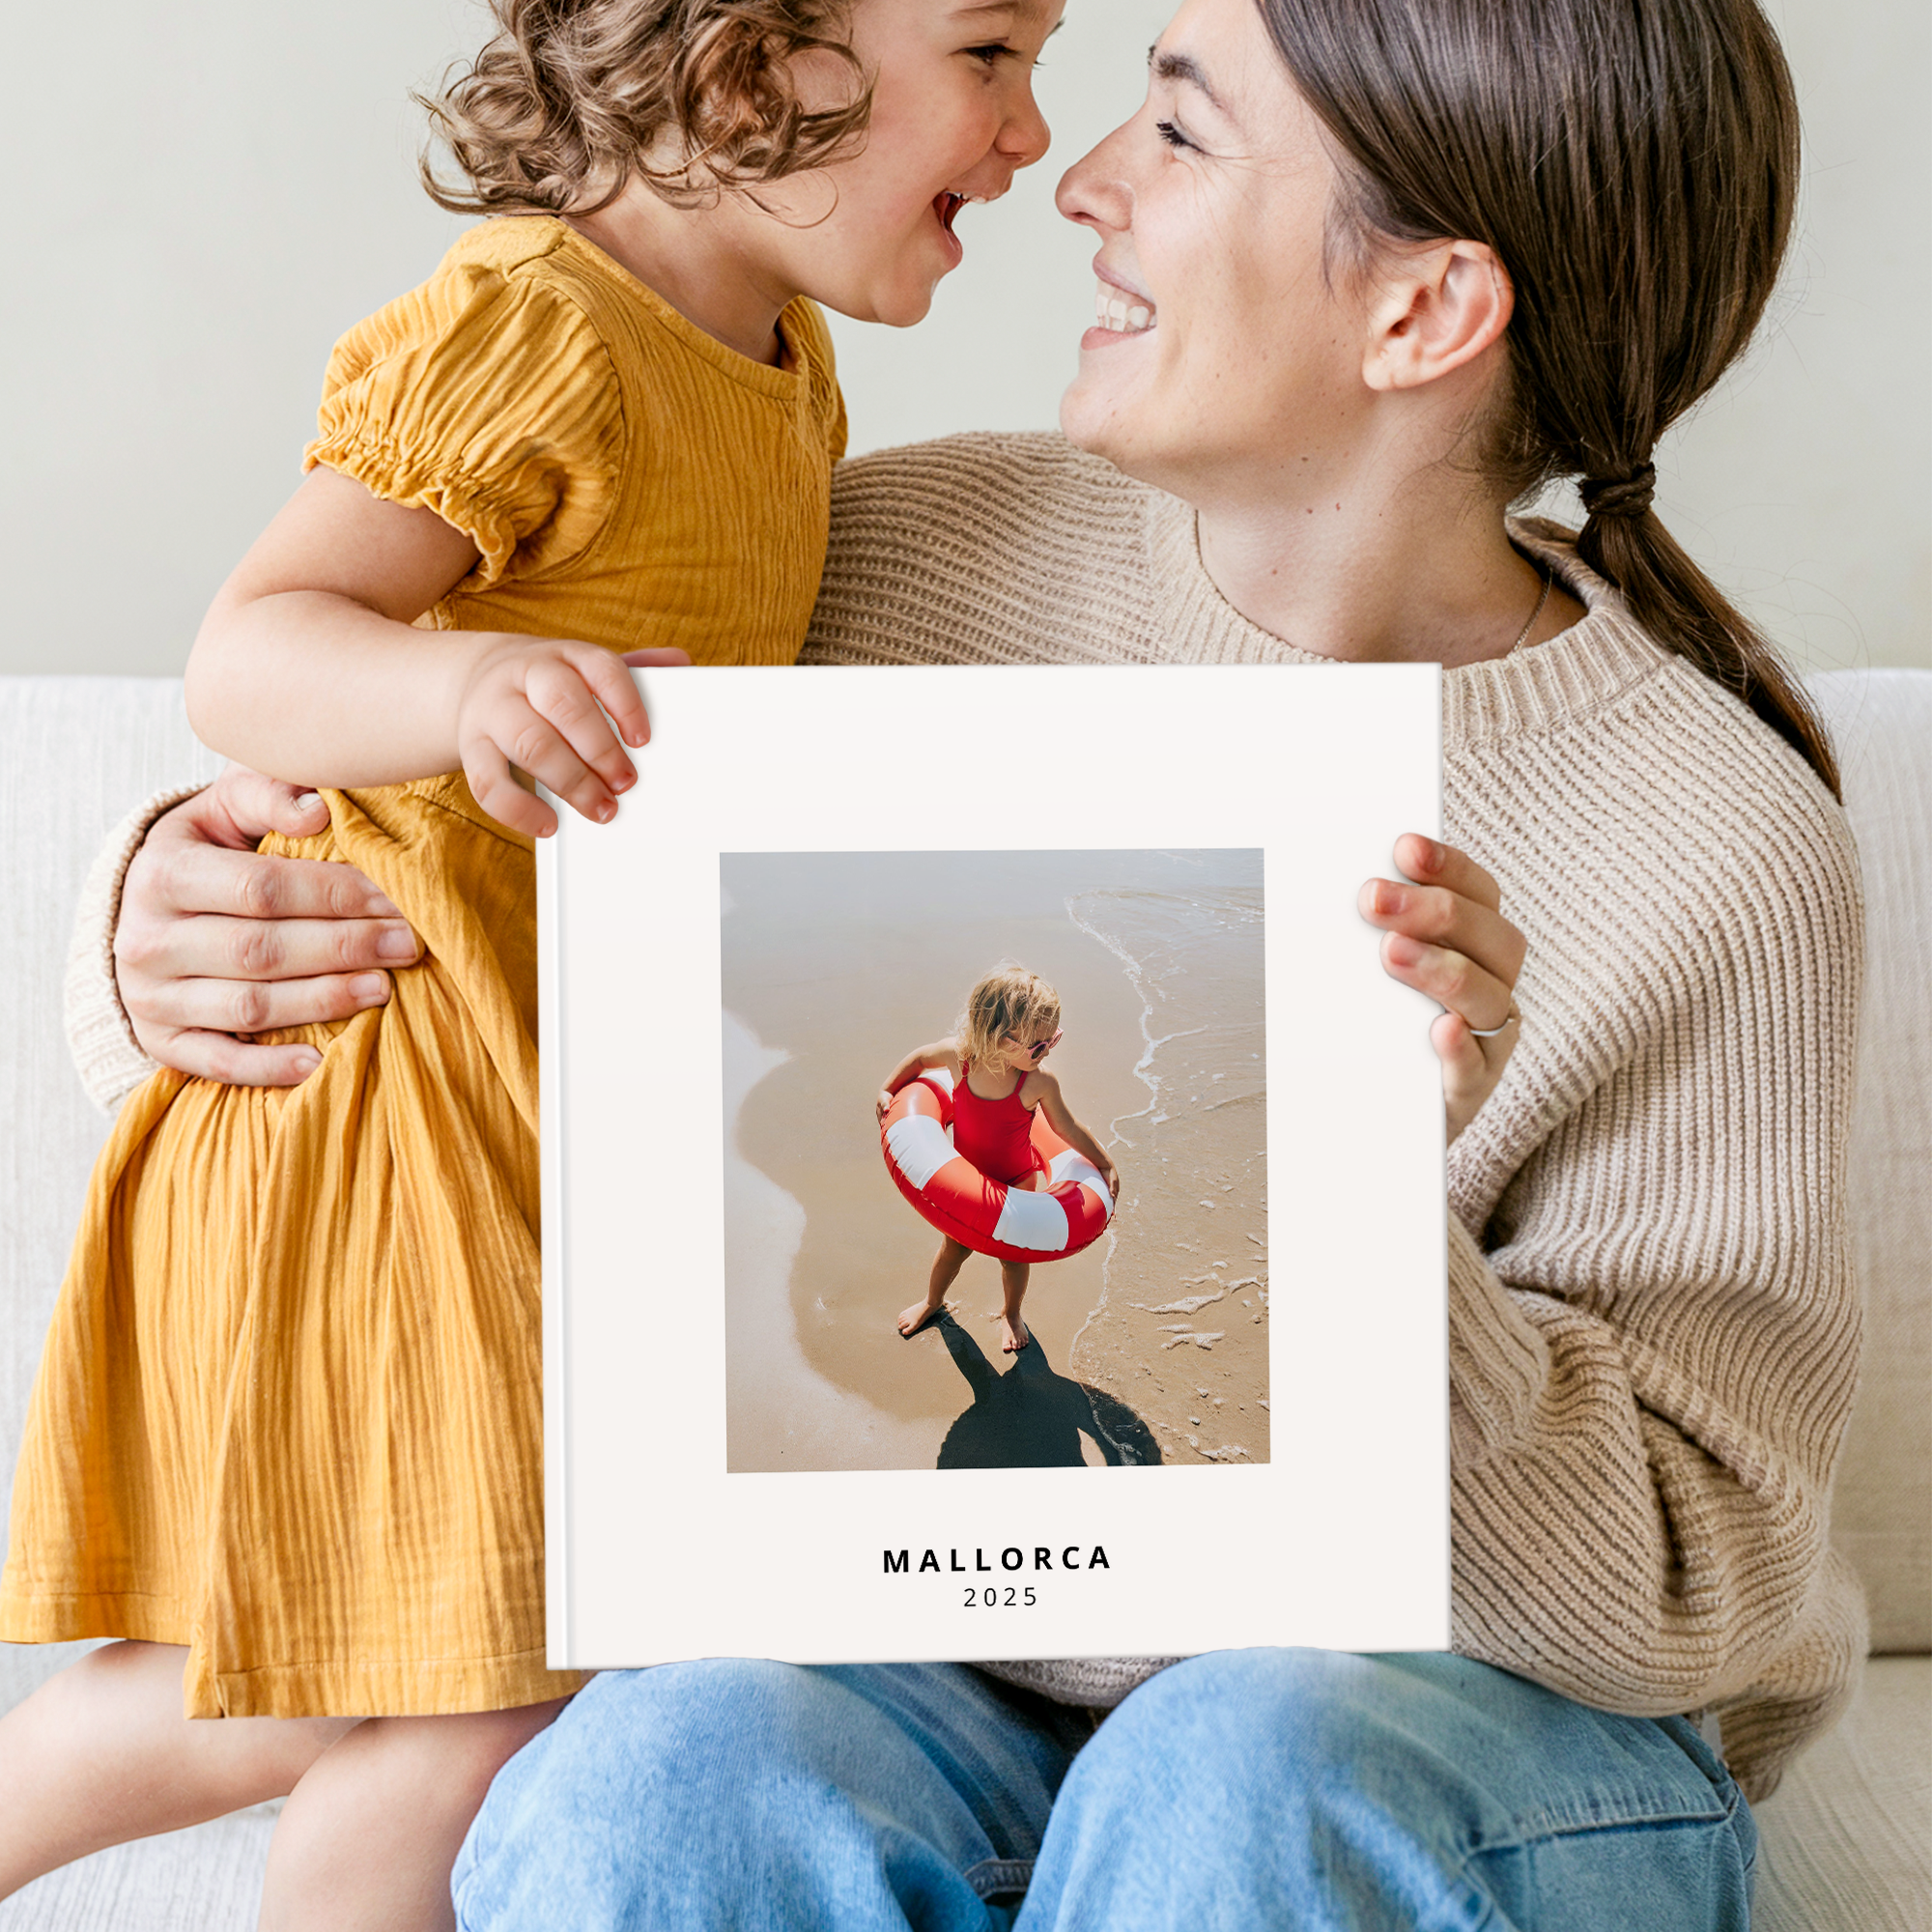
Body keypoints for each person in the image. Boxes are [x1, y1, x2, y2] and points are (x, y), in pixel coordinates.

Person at [48, 0, 1862, 1921]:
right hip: (923, 1673)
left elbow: (1691, 1584)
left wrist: (1351, 1236)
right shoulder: (892, 561)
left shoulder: (1713, 836)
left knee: (1230, 1769)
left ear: (1417, 314)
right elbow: (472, 826)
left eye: (1174, 132)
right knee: (664, 1774)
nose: (1071, 175)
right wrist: (163, 917)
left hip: (1442, 1714)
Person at [0, 0, 1060, 1921]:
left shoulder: (780, 363)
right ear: (752, 68)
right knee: (481, 1676)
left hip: (542, 1108)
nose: (1031, 130)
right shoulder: (535, 325)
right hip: (401, 1102)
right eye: (990, 50)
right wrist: (469, 679)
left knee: (438, 1670)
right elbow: (250, 650)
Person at [878, 965, 1121, 1352]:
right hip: (966, 1177)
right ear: (997, 1037)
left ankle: (1011, 1313)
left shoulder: (1038, 1082)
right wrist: (889, 1089)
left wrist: (1104, 1163)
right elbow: (920, 1059)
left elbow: (1067, 1130)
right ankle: (932, 1303)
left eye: (1051, 1042)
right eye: (1037, 1046)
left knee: (1012, 1260)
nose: (1045, 1053)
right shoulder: (961, 1059)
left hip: (1018, 1179)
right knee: (953, 1250)